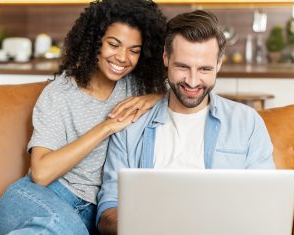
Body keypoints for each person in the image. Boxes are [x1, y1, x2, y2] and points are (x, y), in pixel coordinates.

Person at [97, 10, 275, 235]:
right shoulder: (131, 125)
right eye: (182, 67)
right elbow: (107, 211)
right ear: (166, 58)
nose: (192, 81)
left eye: (204, 69)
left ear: (219, 64)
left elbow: (265, 204)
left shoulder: (247, 123)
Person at [0, 0, 166, 234]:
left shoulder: (138, 88)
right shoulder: (60, 93)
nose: (122, 58)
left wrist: (155, 98)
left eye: (134, 50)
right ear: (95, 41)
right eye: (114, 44)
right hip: (38, 197)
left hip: (94, 212)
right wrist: (106, 127)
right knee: (60, 226)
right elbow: (41, 173)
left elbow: (186, 91)